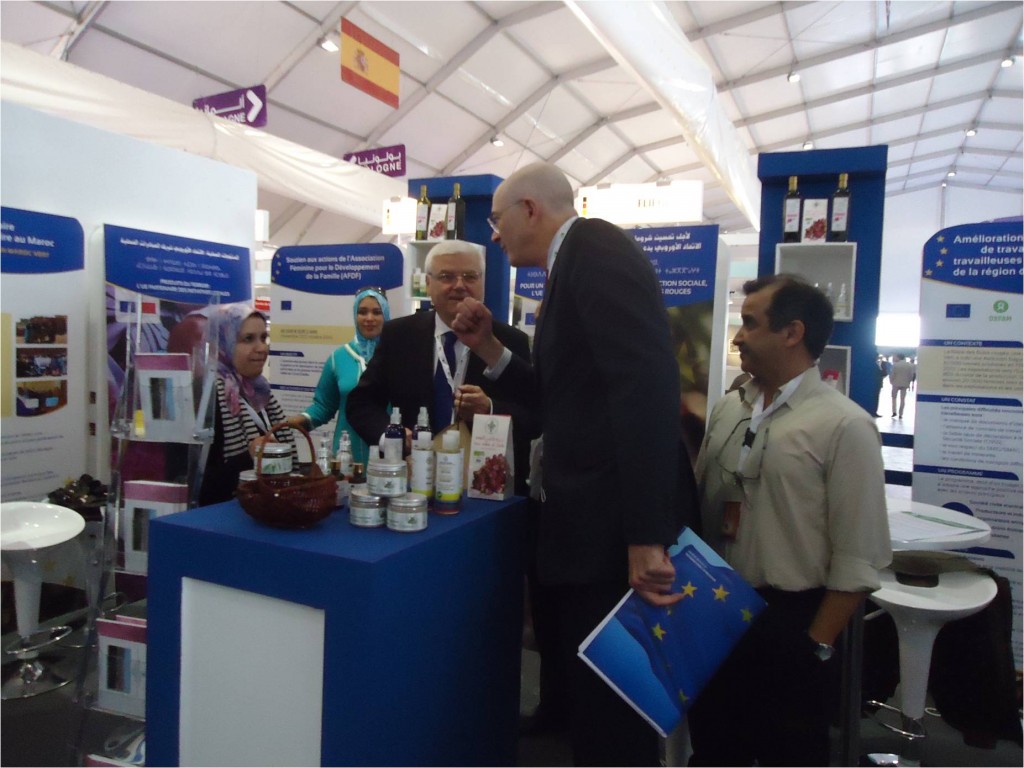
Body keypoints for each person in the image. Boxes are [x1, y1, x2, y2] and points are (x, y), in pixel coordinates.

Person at [451, 162, 698, 766]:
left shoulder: (596, 251)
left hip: (612, 532)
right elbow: (565, 397)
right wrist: (489, 349)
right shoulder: (570, 266)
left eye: (498, 221)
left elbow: (644, 391)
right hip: (592, 526)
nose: (496, 236)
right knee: (597, 703)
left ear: (530, 209)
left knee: (615, 710)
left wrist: (646, 535)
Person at [688, 274, 891, 766]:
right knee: (714, 750)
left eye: (750, 323)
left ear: (792, 332)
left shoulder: (845, 426)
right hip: (716, 612)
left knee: (790, 754)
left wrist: (814, 647)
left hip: (792, 620)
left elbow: (857, 556)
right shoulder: (727, 409)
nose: (737, 337)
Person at [345, 240, 535, 472]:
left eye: (470, 276)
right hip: (414, 480)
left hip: (486, 485)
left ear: (482, 282)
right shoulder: (399, 335)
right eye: (446, 276)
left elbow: (535, 419)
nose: (459, 285)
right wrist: (390, 436)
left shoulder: (510, 341)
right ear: (427, 283)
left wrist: (489, 409)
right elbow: (361, 403)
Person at [199, 304, 294, 505]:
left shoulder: (259, 391)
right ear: (222, 342)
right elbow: (200, 486)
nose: (261, 348)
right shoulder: (207, 395)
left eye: (264, 338)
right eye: (248, 339)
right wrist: (250, 455)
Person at [282, 287, 389, 464]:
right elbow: (324, 405)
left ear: (386, 314)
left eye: (376, 312)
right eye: (362, 312)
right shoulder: (339, 357)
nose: (369, 318)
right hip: (346, 456)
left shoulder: (397, 356)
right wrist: (301, 420)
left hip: (390, 457)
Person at [890, 351, 914, 418]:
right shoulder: (909, 365)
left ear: (898, 357)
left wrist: (891, 381)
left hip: (895, 383)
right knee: (902, 399)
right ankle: (901, 414)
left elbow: (892, 374)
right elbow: (911, 375)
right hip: (905, 384)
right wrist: (908, 382)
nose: (894, 358)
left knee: (894, 398)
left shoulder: (895, 365)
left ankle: (894, 412)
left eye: (895, 357)